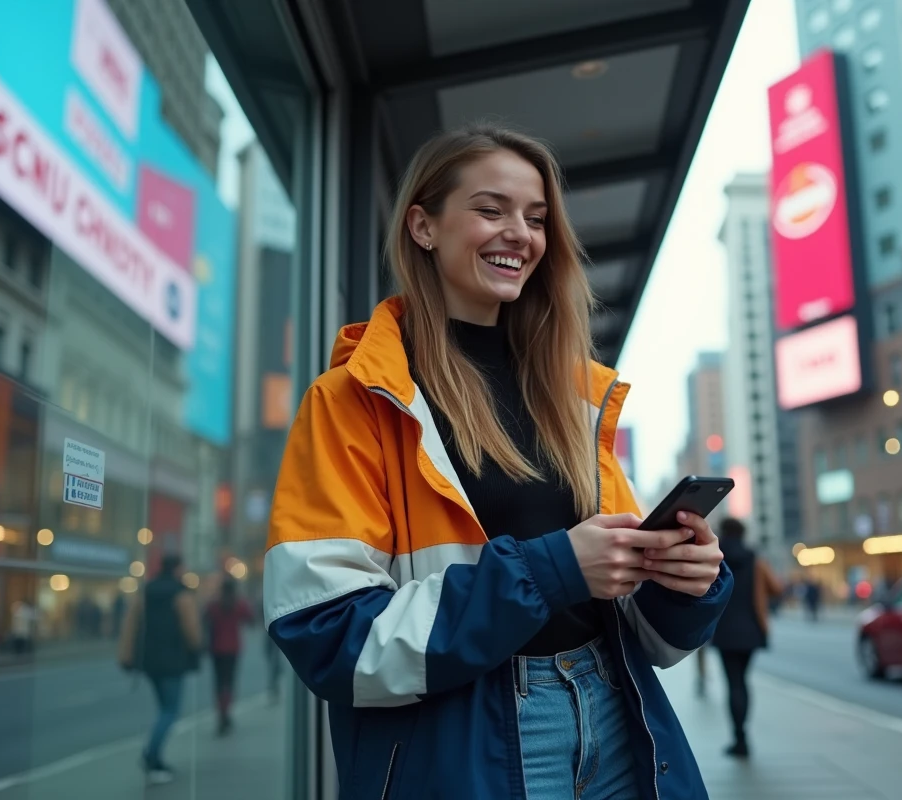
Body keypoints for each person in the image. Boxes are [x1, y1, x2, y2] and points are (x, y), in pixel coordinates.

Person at [264, 123, 733, 800]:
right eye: (491, 210)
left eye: (536, 218)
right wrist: (555, 569)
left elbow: (649, 637)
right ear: (423, 227)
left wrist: (681, 581)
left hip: (612, 714)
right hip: (464, 744)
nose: (521, 233)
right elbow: (328, 635)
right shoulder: (352, 401)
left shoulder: (575, 397)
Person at [118, 554, 202, 785]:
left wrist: (126, 655)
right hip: (173, 660)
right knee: (170, 711)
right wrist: (197, 647)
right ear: (178, 568)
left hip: (149, 660)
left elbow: (130, 623)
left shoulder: (146, 591)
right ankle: (151, 756)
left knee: (164, 708)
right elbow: (191, 628)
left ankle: (155, 757)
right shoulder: (180, 593)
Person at [711, 518, 783, 758]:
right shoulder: (755, 558)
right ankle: (744, 737)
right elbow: (776, 588)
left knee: (733, 684)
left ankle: (739, 738)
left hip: (724, 629)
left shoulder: (715, 557)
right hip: (752, 628)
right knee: (743, 681)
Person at [204, 576, 255, 735]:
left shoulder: (214, 604)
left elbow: (204, 618)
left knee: (219, 682)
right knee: (230, 682)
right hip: (233, 648)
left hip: (216, 648)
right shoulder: (238, 604)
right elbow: (251, 619)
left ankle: (221, 714)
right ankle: (227, 712)